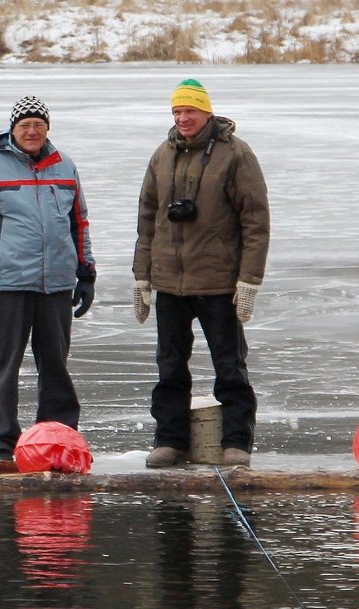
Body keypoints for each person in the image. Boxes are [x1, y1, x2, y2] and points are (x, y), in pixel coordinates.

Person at [132, 78, 270, 468]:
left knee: (229, 366)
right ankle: (170, 440)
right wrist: (142, 276)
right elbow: (147, 220)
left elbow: (255, 222)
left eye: (189, 110)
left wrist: (249, 280)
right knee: (169, 366)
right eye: (177, 112)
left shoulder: (236, 155)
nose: (182, 118)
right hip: (169, 283)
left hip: (218, 281)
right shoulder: (162, 155)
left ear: (206, 112)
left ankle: (237, 442)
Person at [0, 95, 96, 460]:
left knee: (55, 365)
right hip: (7, 284)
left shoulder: (63, 164)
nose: (32, 131)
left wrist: (86, 272)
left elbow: (78, 222)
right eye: (25, 126)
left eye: (38, 125)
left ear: (47, 128)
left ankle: (59, 436)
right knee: (6, 367)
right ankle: (2, 442)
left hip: (56, 284)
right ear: (12, 129)